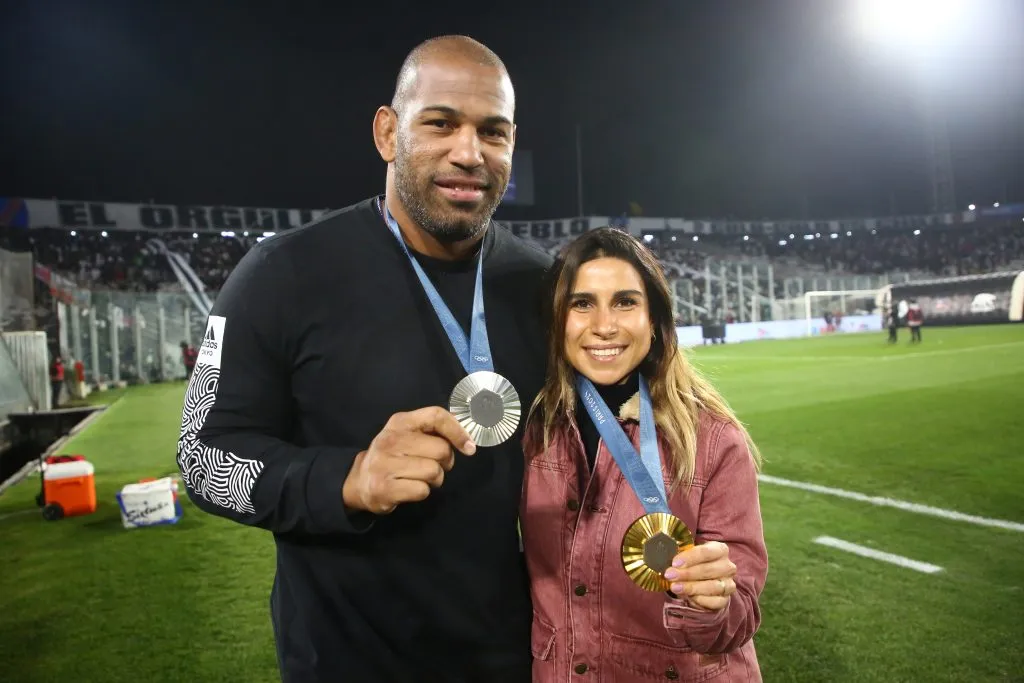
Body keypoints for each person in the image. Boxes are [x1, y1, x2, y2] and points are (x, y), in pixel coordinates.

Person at [176, 35, 551, 682]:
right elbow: (201, 456)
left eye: (492, 132)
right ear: (387, 133)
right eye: (440, 123)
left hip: (511, 661)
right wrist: (346, 480)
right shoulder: (282, 273)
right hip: (344, 663)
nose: (469, 153)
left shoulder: (543, 285)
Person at [520, 228, 767, 681]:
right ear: (558, 321)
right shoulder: (537, 430)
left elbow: (740, 615)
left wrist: (712, 601)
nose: (604, 325)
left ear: (654, 319)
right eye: (582, 303)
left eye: (625, 302)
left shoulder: (714, 441)